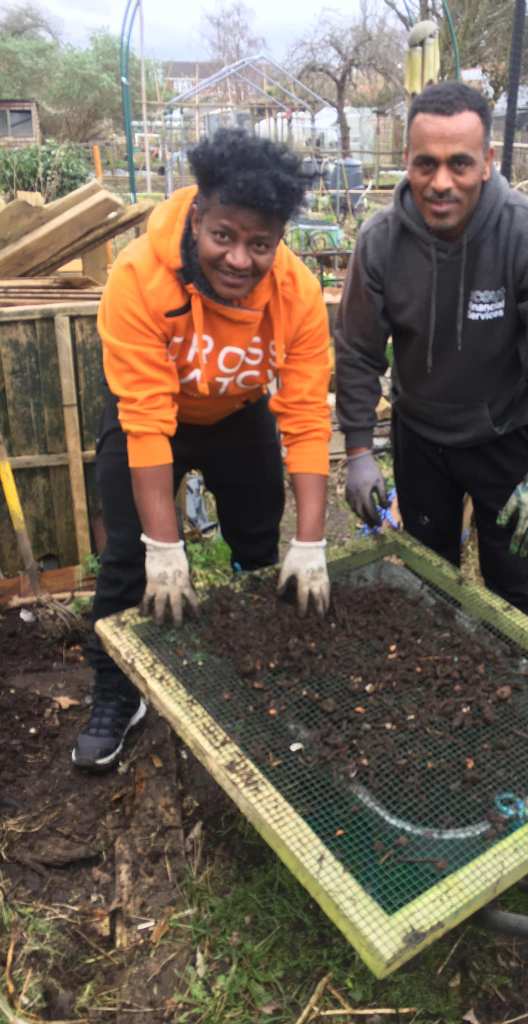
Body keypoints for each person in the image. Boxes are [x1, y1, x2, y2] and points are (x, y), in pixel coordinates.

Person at [73, 129, 332, 772]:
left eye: (260, 244)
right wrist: (165, 549)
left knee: (258, 545)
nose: (239, 259)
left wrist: (312, 542)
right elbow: (145, 422)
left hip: (239, 414)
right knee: (128, 557)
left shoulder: (297, 294)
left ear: (278, 240)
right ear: (197, 219)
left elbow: (305, 418)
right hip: (150, 415)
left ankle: (257, 663)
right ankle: (117, 692)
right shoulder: (138, 278)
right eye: (224, 236)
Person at [334, 83, 528, 621]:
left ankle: (518, 668)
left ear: (488, 162)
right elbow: (357, 352)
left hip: (504, 437)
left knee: (511, 588)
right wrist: (358, 450)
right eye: (426, 163)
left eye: (460, 164)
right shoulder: (380, 241)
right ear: (406, 159)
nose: (441, 182)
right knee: (429, 579)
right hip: (421, 435)